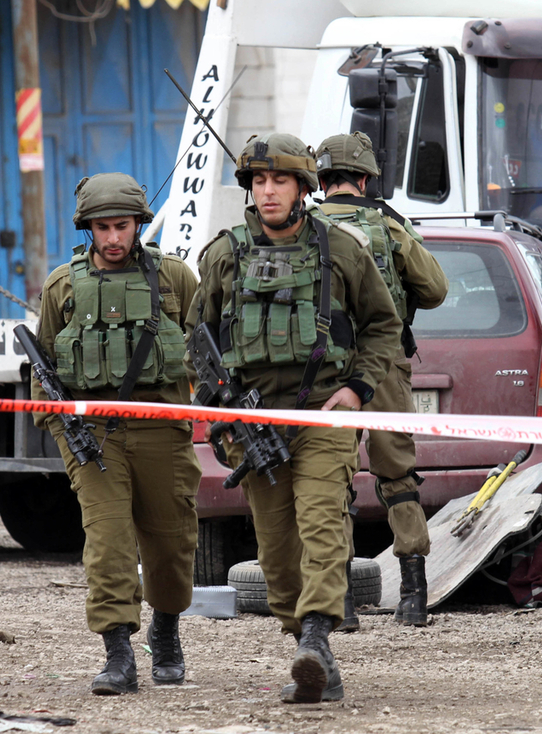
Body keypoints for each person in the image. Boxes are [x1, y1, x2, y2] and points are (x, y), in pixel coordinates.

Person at [186, 132, 401, 703]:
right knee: (277, 556)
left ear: (303, 187)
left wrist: (357, 387)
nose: (268, 190)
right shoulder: (225, 255)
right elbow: (196, 338)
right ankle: (308, 647)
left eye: (280, 180)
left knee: (323, 526)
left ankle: (316, 639)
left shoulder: (341, 250)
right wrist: (221, 405)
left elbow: (383, 326)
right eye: (259, 181)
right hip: (253, 426)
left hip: (322, 416)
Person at [31, 172, 201, 696]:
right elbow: (43, 371)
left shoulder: (174, 278)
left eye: (121, 226)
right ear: (88, 228)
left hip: (162, 429)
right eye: (102, 228)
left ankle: (165, 629)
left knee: (171, 543)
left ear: (139, 225)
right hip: (93, 436)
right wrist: (65, 431)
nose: (112, 238)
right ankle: (118, 652)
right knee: (108, 543)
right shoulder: (63, 285)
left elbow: (209, 348)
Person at [313, 131, 449, 629]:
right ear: (366, 179)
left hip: (326, 370)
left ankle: (341, 602)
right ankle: (413, 596)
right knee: (397, 473)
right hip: (386, 362)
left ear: (321, 181)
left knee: (332, 476)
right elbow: (434, 290)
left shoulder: (307, 228)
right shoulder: (388, 225)